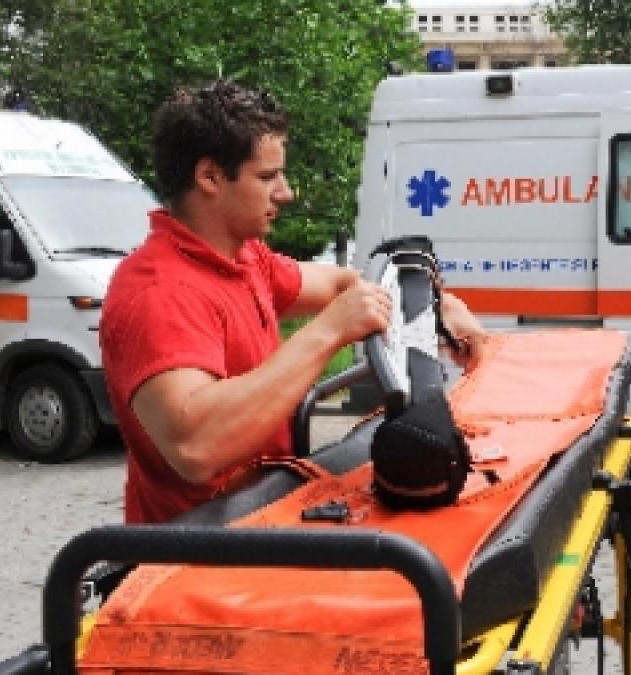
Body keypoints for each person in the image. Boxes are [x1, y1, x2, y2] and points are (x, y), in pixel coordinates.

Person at [99, 81, 485, 524]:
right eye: (266, 178)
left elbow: (344, 284)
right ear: (209, 177)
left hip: (265, 515)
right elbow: (195, 445)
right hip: (200, 556)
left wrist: (436, 308)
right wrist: (328, 332)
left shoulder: (243, 257)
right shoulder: (159, 293)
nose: (285, 193)